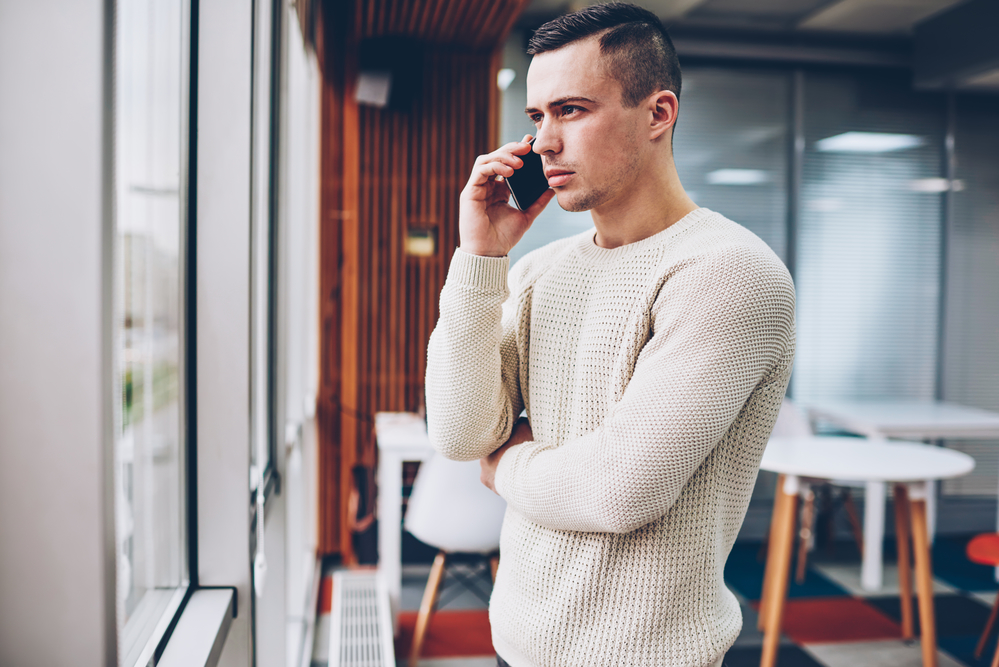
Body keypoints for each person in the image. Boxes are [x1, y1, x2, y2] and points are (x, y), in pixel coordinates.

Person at [424, 3, 795, 666]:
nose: (541, 142)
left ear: (657, 113)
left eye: (570, 110)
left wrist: (505, 464)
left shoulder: (727, 272)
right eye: (537, 116)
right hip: (515, 637)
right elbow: (458, 432)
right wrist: (478, 260)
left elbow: (620, 488)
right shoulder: (539, 270)